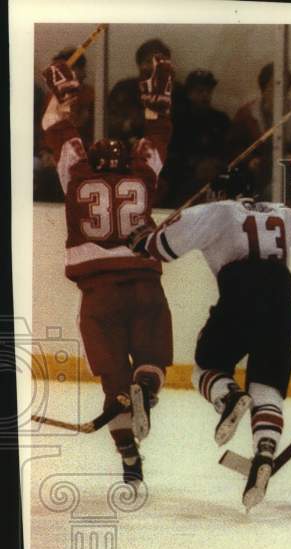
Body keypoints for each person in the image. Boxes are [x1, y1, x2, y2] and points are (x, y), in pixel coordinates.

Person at [128, 167, 291, 510]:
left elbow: (161, 248)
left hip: (241, 291)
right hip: (283, 301)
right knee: (267, 387)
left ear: (221, 193)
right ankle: (265, 453)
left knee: (206, 368)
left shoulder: (217, 211)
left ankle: (228, 397)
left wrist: (143, 238)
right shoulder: (286, 215)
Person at [40, 54, 175, 486]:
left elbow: (54, 128)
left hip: (98, 298)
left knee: (112, 387)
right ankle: (146, 391)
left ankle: (130, 461)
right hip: (144, 287)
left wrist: (60, 98)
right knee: (152, 361)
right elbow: (157, 133)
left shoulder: (77, 175)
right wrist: (156, 108)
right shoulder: (143, 175)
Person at [226, 63, 291, 200]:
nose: (279, 92)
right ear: (263, 89)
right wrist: (249, 160)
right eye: (273, 86)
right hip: (255, 173)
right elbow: (233, 146)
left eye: (283, 87)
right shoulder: (247, 113)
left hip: (290, 173)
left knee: (272, 192)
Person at [35, 47, 96, 202]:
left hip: (82, 153)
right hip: (55, 153)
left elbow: (82, 127)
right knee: (41, 172)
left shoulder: (89, 94)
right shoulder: (51, 97)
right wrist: (46, 152)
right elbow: (45, 130)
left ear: (81, 70)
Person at [165, 70, 231, 206]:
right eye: (200, 91)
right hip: (184, 181)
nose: (205, 95)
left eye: (208, 91)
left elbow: (228, 151)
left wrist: (217, 165)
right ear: (189, 94)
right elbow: (170, 157)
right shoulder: (177, 120)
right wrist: (194, 167)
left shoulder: (220, 120)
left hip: (216, 179)